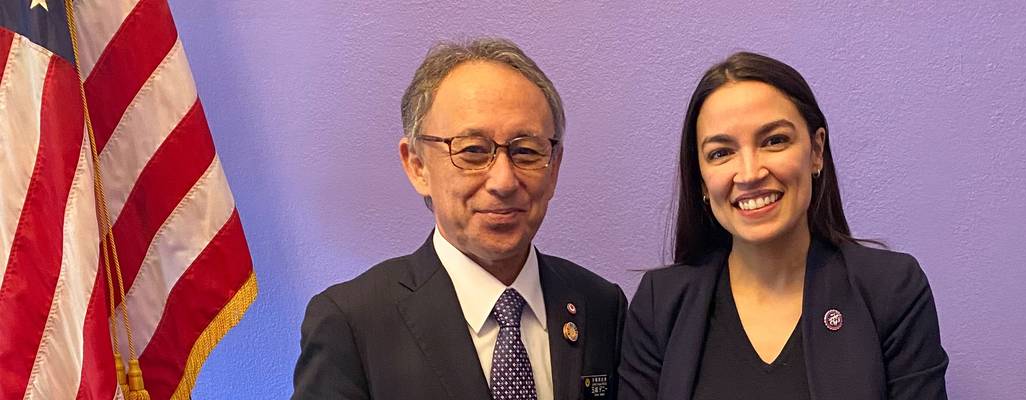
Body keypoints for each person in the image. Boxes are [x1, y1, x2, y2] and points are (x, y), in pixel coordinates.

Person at [294, 38, 627, 400]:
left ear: (554, 168)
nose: (503, 181)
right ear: (417, 165)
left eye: (526, 151)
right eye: (472, 151)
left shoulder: (601, 306)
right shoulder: (351, 322)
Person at [618, 52, 949, 399]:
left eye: (774, 141)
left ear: (816, 151)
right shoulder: (660, 304)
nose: (749, 174)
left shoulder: (891, 290)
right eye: (721, 153)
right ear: (701, 179)